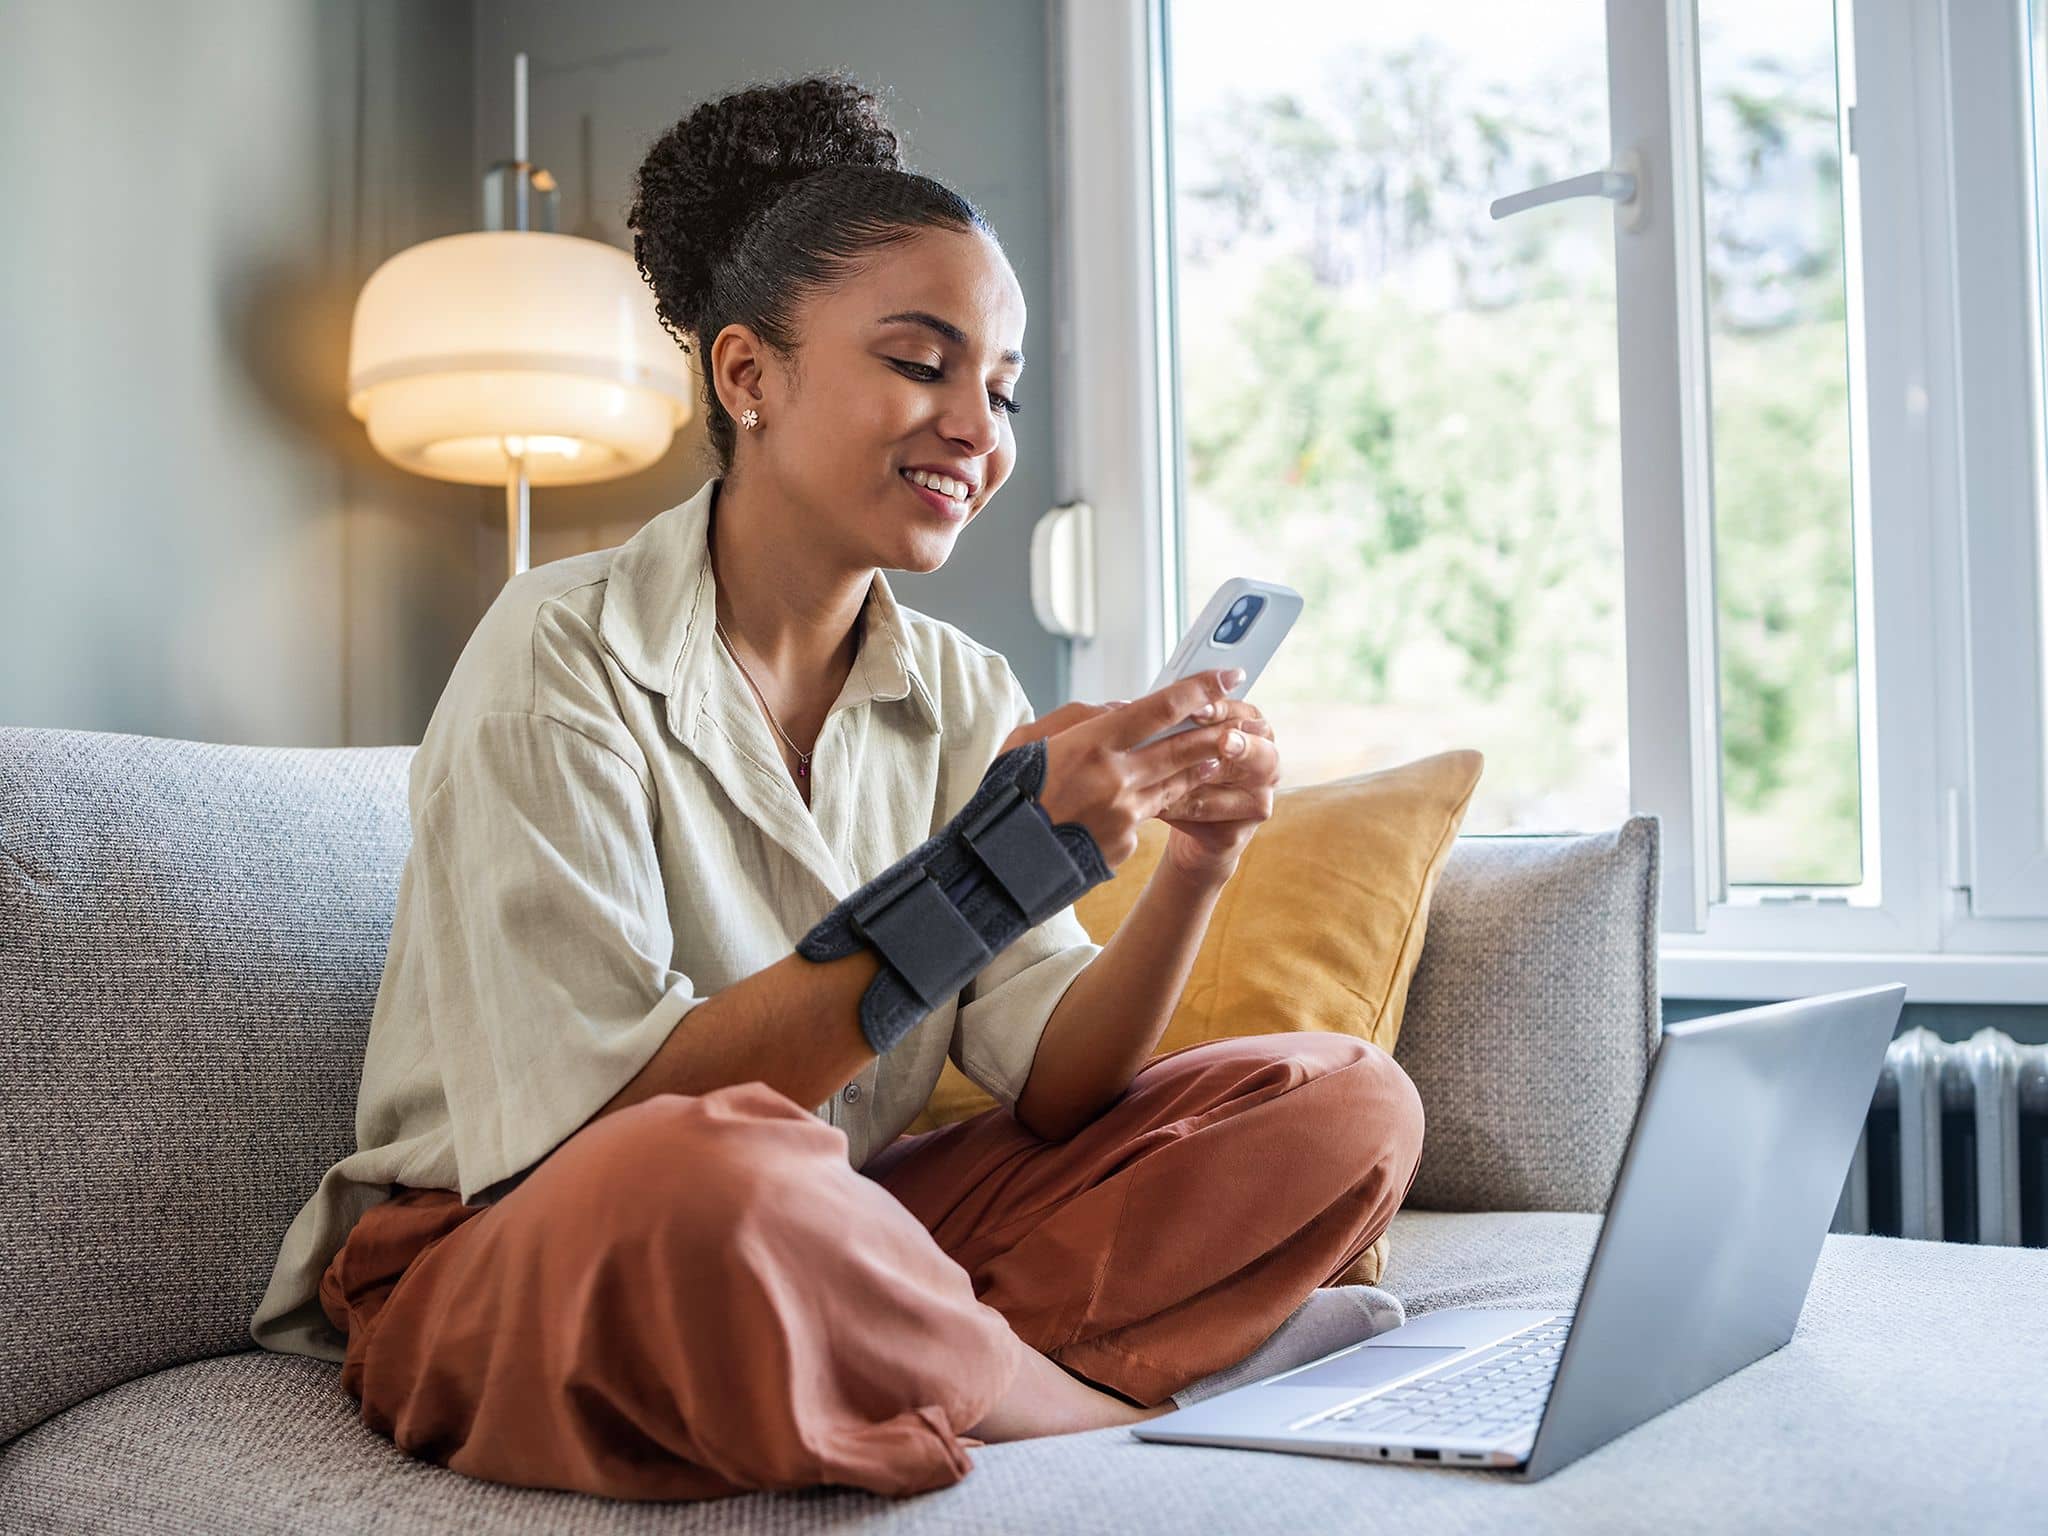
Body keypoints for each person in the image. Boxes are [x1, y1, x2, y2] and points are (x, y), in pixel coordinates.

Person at [246, 71, 1425, 1503]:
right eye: (922, 365)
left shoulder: (960, 691)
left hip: (829, 1218)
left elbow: (1055, 1088)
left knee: (1342, 1097)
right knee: (716, 1178)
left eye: (999, 390)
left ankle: (891, 1344)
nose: (977, 432)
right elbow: (602, 1139)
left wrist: (1195, 864)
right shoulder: (555, 654)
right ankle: (1066, 1403)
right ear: (749, 375)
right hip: (530, 1245)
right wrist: (992, 868)